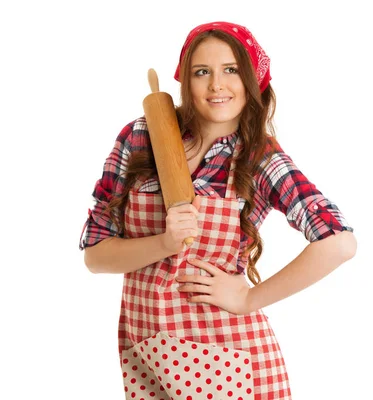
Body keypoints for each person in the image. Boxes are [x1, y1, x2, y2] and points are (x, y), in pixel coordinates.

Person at [79, 21, 356, 400]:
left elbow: (339, 244)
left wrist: (247, 299)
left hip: (231, 360)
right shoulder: (141, 138)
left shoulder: (259, 157)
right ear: (184, 81)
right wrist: (165, 242)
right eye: (201, 72)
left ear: (253, 79)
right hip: (149, 354)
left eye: (231, 70)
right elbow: (96, 256)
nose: (216, 85)